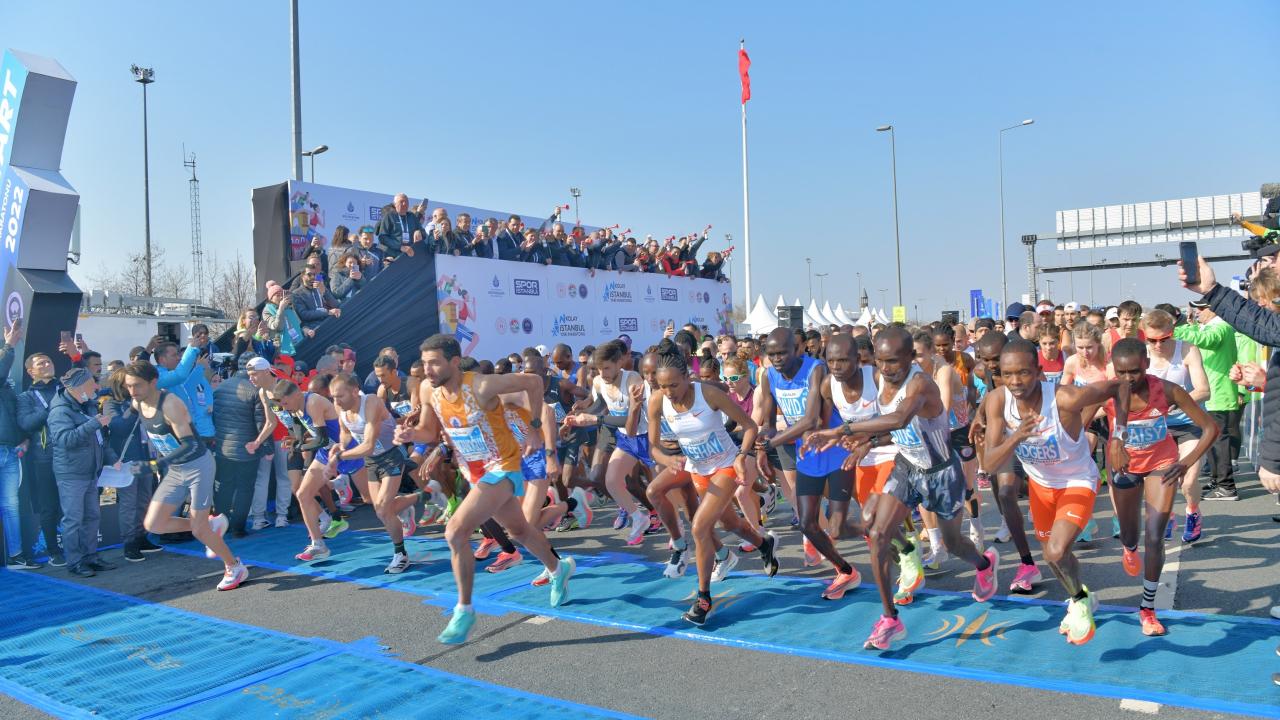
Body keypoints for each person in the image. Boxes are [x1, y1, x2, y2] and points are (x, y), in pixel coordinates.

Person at [805, 327, 997, 651]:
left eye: (893, 361)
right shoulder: (882, 381)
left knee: (953, 544)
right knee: (877, 534)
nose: (886, 368)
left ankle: (984, 565)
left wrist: (842, 429)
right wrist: (867, 443)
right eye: (880, 361)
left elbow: (899, 419)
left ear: (910, 357)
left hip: (941, 473)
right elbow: (895, 433)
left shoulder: (921, 383)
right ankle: (890, 619)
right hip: (907, 467)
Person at [397, 334, 574, 645]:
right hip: (473, 469)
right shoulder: (428, 389)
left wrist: (534, 431)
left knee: (455, 531)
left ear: (454, 362)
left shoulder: (480, 385)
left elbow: (533, 384)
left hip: (503, 466)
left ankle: (464, 609)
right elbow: (428, 429)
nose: (428, 370)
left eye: (435, 362)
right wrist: (412, 433)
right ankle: (559, 568)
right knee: (518, 530)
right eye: (424, 363)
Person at [982, 340, 1131, 646]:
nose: (1015, 382)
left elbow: (1119, 387)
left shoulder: (1065, 397)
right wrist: (1018, 435)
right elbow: (988, 462)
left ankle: (1078, 600)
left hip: (1077, 481)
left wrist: (1119, 435)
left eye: (1023, 373)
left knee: (1055, 551)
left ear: (1039, 372)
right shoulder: (998, 401)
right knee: (1053, 557)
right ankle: (1082, 597)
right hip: (1041, 486)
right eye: (1007, 374)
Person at [647, 339, 779, 626]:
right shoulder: (657, 400)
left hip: (726, 466)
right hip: (698, 469)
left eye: (673, 385)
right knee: (730, 524)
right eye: (662, 386)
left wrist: (743, 456)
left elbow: (749, 426)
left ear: (686, 377)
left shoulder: (708, 395)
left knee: (700, 527)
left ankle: (703, 598)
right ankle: (763, 544)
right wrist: (665, 459)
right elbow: (652, 446)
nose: (668, 392)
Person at [1107, 338, 1217, 636]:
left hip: (1162, 465)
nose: (1129, 378)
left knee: (1155, 536)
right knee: (1130, 534)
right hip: (1126, 468)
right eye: (1122, 372)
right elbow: (1075, 418)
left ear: (1146, 363)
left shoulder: (1167, 390)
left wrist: (1185, 462)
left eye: (1134, 371)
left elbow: (1210, 427)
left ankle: (1148, 608)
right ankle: (1129, 548)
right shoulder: (1109, 391)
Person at [125, 362, 247, 590]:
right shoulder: (137, 402)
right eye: (129, 386)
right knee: (154, 524)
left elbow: (189, 444)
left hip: (197, 465)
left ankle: (234, 565)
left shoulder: (171, 404)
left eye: (137, 386)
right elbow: (125, 418)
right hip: (176, 469)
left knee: (199, 530)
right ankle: (212, 525)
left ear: (153, 382)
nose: (133, 391)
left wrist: (155, 464)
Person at [329, 373, 421, 573]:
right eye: (333, 397)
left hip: (392, 455)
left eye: (340, 396)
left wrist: (340, 457)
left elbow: (369, 445)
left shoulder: (370, 402)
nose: (336, 401)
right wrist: (340, 446)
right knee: (375, 504)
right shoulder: (341, 407)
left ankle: (401, 554)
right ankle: (419, 498)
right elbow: (345, 432)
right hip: (372, 461)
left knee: (382, 510)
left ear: (355, 391)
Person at [1142, 309, 1211, 542]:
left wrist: (1177, 404)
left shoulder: (1187, 350)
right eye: (1152, 340)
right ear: (1145, 337)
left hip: (1189, 424)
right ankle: (1169, 515)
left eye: (1164, 339)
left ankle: (1192, 512)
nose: (1158, 345)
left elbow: (1203, 389)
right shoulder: (1143, 357)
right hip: (1157, 428)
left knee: (1188, 481)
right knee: (1161, 481)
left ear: (1172, 333)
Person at [48, 367, 114, 577]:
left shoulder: (87, 405)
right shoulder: (60, 411)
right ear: (77, 388)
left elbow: (100, 439)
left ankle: (90, 557)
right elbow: (65, 440)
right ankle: (75, 562)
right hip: (71, 473)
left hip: (89, 471)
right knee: (74, 519)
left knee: (92, 516)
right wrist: (93, 423)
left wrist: (111, 458)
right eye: (90, 384)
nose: (95, 387)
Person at [102, 368, 161, 562]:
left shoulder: (143, 402)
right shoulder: (111, 404)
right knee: (129, 503)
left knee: (145, 499)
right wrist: (133, 408)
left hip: (147, 457)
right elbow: (118, 427)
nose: (134, 388)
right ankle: (130, 543)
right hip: (128, 460)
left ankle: (141, 536)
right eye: (130, 384)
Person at [15, 349, 63, 566]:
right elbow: (26, 424)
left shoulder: (64, 389)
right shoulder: (26, 397)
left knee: (73, 503)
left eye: (49, 361)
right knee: (49, 506)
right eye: (41, 363)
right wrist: (52, 408)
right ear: (30, 371)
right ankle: (54, 551)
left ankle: (78, 546)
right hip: (44, 458)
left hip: (71, 455)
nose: (47, 365)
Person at [213, 354, 268, 537]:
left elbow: (215, 418)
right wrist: (266, 447)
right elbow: (262, 423)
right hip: (247, 448)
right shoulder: (255, 391)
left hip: (223, 447)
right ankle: (238, 527)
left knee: (223, 486)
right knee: (245, 487)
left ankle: (222, 523)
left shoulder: (221, 387)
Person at [375, 193, 422, 260]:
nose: (404, 204)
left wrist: (419, 231)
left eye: (406, 201)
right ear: (395, 204)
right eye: (401, 201)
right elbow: (382, 237)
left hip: (409, 256)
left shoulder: (412, 216)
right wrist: (400, 247)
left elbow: (423, 233)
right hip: (392, 256)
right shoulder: (389, 216)